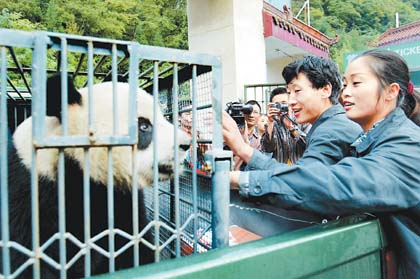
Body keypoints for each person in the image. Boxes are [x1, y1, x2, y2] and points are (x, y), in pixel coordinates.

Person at [224, 50, 420, 278]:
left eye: (356, 83)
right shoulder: (373, 139)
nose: (345, 93)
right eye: (345, 84)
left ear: (391, 92)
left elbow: (332, 183)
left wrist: (240, 178)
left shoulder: (405, 146)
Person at [228, 56, 362, 237]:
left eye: (297, 91)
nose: (290, 101)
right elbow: (298, 175)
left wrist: (234, 176)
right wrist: (244, 150)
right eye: (289, 93)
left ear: (325, 89)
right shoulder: (330, 124)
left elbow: (298, 183)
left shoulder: (332, 130)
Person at [261, 87, 310, 165]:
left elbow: (308, 144)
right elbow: (268, 148)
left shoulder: (303, 120)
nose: (281, 107)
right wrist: (270, 122)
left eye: (283, 103)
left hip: (300, 170)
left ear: (290, 103)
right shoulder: (272, 124)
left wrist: (291, 127)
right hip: (279, 171)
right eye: (277, 104)